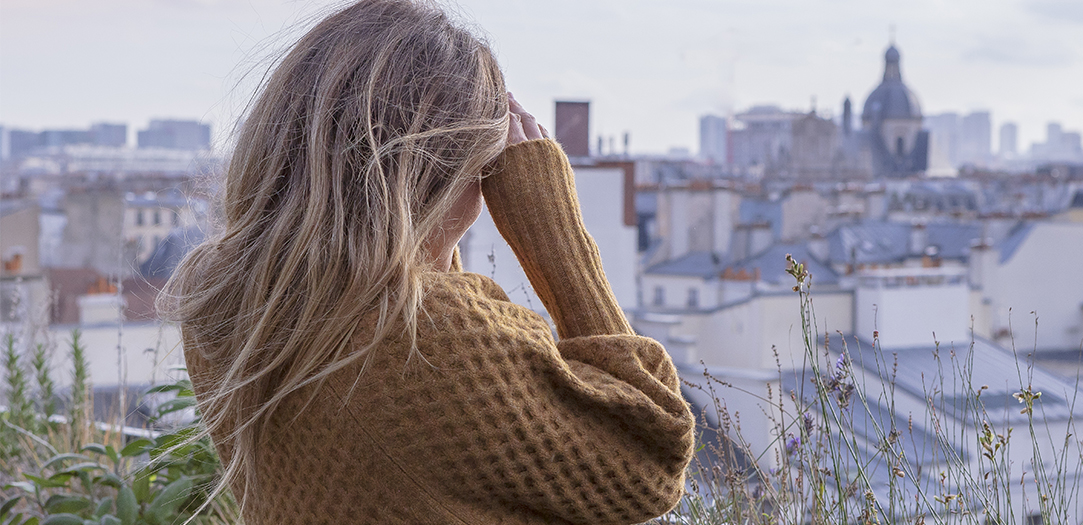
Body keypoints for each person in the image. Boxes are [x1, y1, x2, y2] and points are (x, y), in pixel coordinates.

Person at [162, 0, 695, 523]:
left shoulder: (223, 297)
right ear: (447, 171)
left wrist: (430, 235)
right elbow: (649, 463)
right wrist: (555, 237)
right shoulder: (432, 339)